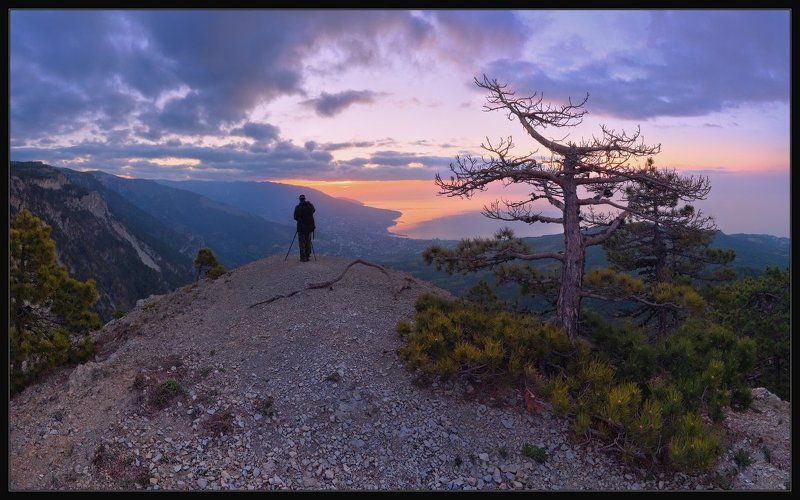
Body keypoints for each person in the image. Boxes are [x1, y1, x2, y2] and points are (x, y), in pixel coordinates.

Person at [293, 194, 316, 262]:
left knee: (302, 243)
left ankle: (303, 258)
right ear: (305, 199)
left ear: (300, 199)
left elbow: (295, 217)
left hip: (301, 228)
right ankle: (308, 256)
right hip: (309, 228)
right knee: (308, 242)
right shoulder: (310, 205)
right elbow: (314, 210)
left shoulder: (298, 207)